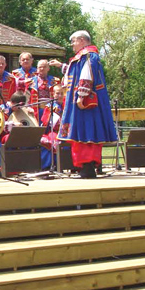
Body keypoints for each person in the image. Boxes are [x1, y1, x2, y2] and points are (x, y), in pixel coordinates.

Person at [50, 30, 118, 179]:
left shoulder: (88, 56)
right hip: (83, 102)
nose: (72, 45)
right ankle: (87, 167)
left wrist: (81, 96)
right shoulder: (86, 56)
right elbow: (74, 72)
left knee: (85, 132)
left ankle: (87, 167)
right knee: (86, 133)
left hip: (84, 104)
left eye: (73, 41)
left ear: (81, 40)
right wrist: (61, 65)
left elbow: (85, 77)